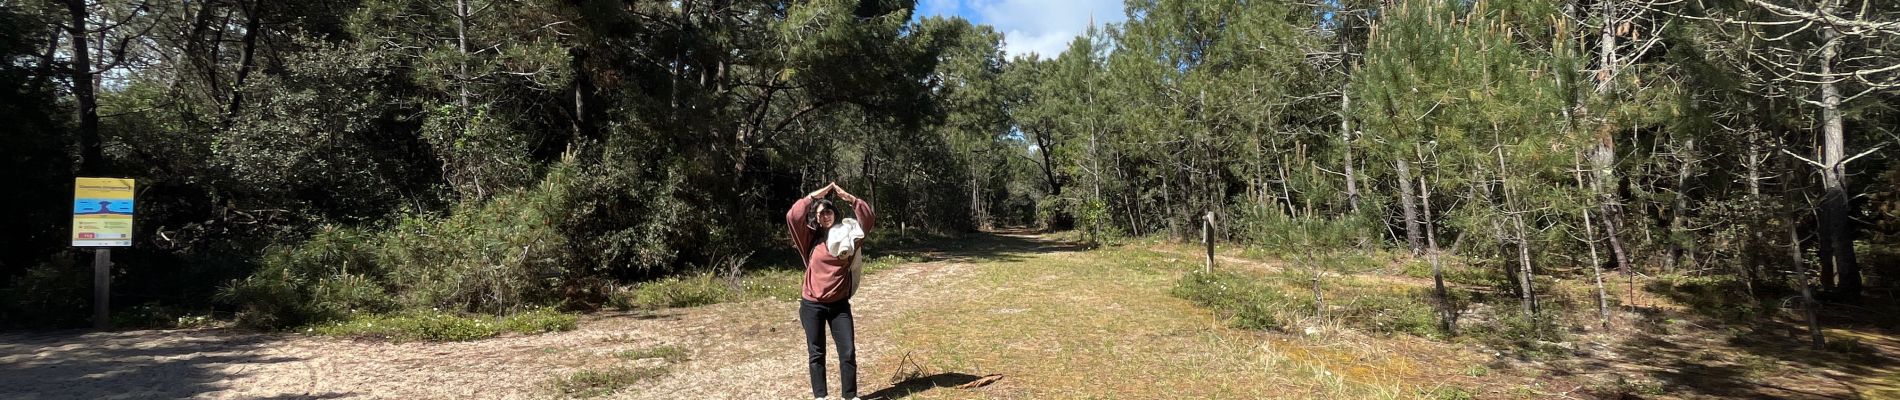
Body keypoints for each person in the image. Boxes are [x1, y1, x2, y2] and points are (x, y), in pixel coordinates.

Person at [786, 182, 875, 400]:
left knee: (848, 352)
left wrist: (851, 199)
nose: (825, 215)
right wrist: (813, 197)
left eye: (828, 211)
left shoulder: (849, 237)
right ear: (816, 217)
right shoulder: (810, 238)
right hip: (811, 305)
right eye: (820, 213)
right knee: (817, 354)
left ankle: (850, 396)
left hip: (839, 306)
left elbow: (868, 220)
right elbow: (792, 216)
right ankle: (821, 396)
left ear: (834, 213)